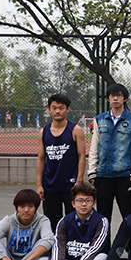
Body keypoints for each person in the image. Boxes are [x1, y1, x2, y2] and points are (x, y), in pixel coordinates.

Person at [33, 184, 109, 260]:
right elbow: (58, 249)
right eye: (80, 200)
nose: (84, 204)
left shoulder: (101, 221)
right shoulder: (64, 221)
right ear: (73, 203)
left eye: (88, 200)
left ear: (94, 203)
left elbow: (93, 250)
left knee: (102, 258)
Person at [87, 83, 131, 223]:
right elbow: (94, 148)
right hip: (103, 176)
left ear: (125, 98)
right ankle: (104, 239)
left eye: (119, 95)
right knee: (103, 219)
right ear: (108, 98)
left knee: (130, 218)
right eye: (112, 95)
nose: (115, 98)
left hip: (125, 177)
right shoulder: (99, 119)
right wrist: (92, 172)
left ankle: (130, 239)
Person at [36, 93, 86, 232]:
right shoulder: (43, 132)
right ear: (49, 110)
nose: (57, 111)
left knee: (74, 223)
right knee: (52, 225)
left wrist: (79, 181)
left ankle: (73, 246)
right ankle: (54, 246)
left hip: (71, 186)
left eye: (61, 108)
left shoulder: (75, 130)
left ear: (67, 109)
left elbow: (82, 156)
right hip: (50, 186)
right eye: (54, 108)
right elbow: (41, 159)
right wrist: (39, 185)